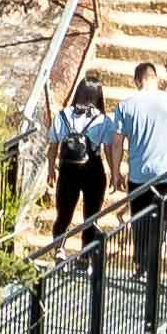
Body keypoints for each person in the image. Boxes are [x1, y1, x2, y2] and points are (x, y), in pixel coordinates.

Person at [113, 71, 167, 288]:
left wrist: (114, 172)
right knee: (164, 223)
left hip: (138, 176)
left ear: (137, 81)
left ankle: (142, 266)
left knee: (139, 222)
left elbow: (117, 142)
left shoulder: (125, 106)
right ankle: (151, 269)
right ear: (157, 79)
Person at [44, 73, 115, 253]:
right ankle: (86, 255)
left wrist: (51, 169)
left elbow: (53, 146)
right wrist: (115, 173)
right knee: (91, 217)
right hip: (93, 170)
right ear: (98, 96)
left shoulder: (63, 116)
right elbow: (107, 149)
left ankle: (59, 250)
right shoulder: (103, 120)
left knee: (63, 214)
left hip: (68, 170)